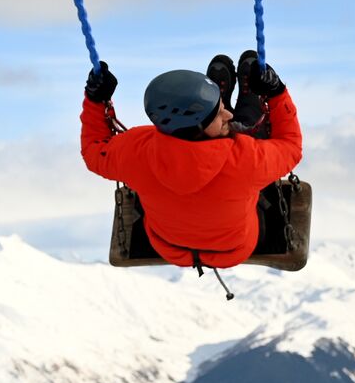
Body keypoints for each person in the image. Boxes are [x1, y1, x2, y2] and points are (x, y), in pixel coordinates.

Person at [81, 50, 303, 270]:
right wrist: (276, 92)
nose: (228, 115)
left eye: (221, 109)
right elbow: (290, 146)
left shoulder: (136, 152)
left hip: (170, 247)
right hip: (233, 250)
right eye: (219, 113)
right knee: (246, 126)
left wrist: (94, 99)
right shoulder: (246, 159)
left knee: (233, 132)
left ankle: (215, 100)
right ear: (197, 127)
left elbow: (94, 151)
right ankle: (245, 99)